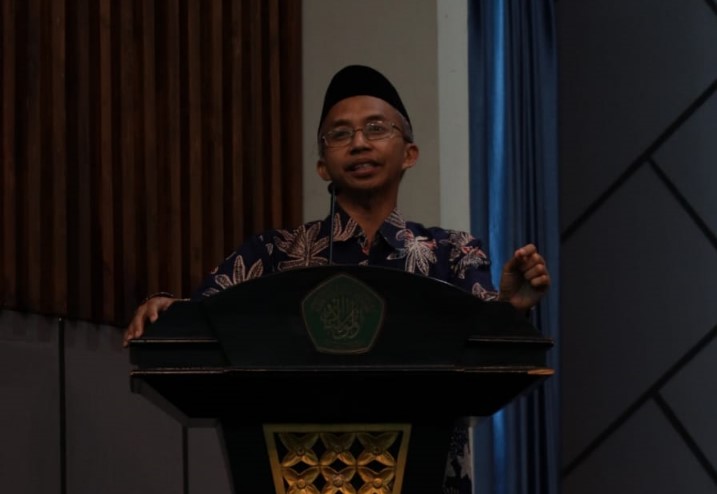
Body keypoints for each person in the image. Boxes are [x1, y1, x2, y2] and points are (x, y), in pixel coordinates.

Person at [123, 64, 550, 493]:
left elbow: (487, 346)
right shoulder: (272, 254)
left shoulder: (452, 253)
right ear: (323, 167)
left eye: (376, 128)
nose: (359, 143)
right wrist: (167, 310)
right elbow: (201, 322)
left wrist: (510, 309)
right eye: (340, 134)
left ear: (409, 154)